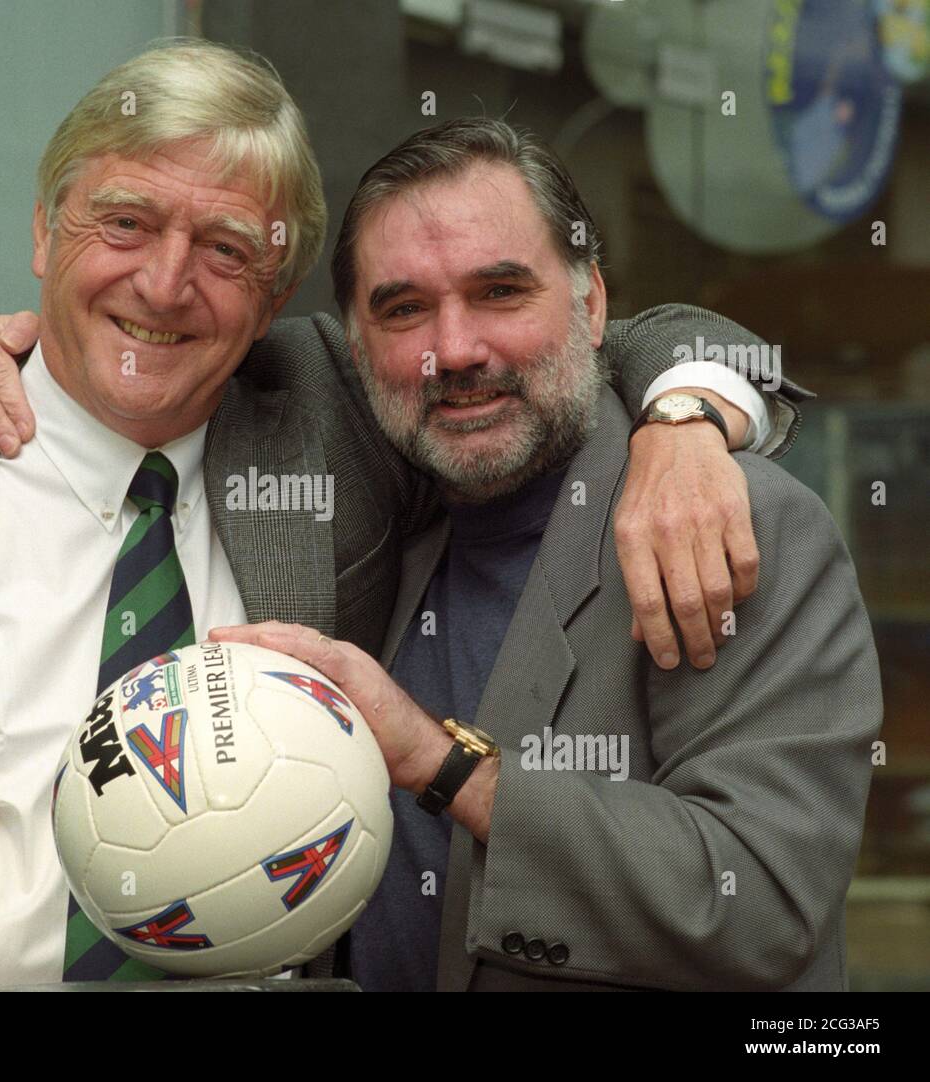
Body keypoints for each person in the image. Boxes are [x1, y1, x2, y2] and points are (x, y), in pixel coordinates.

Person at [0, 41, 796, 992]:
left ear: (279, 292)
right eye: (123, 224)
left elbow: (573, 334)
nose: (164, 283)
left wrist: (688, 421)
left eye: (225, 248)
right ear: (43, 233)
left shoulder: (334, 423)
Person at [210, 118, 883, 991]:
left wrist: (443, 764)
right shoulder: (398, 514)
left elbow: (757, 899)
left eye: (500, 292)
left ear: (594, 304)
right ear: (355, 346)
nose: (455, 351)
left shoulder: (720, 518)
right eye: (404, 308)